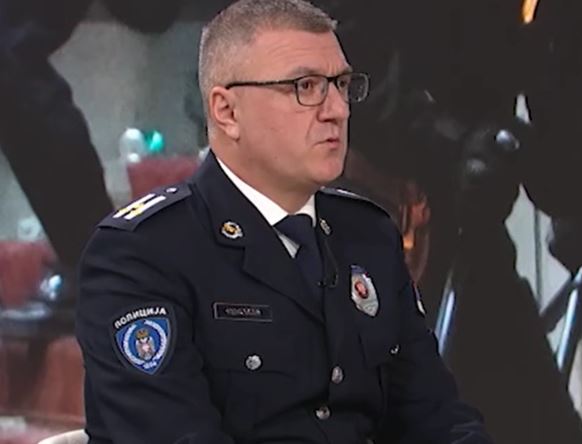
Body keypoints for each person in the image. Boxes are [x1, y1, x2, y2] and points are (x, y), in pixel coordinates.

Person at [75, 1, 493, 443]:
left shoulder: (368, 235)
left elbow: (439, 420)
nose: (338, 109)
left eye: (342, 85)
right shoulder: (143, 254)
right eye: (305, 87)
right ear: (227, 111)